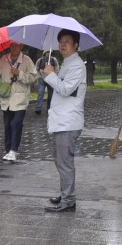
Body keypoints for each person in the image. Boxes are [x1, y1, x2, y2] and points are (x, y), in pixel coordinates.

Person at [42, 29, 86, 213]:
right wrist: (51, 74)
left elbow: (66, 89)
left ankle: (68, 200)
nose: (63, 43)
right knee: (60, 159)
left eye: (68, 41)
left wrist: (51, 75)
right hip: (62, 120)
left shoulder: (76, 65)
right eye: (61, 40)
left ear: (76, 45)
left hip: (68, 121)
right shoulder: (68, 63)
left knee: (64, 162)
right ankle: (65, 193)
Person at [0, 41, 38, 162]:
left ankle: (13, 150)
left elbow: (33, 77)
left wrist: (20, 73)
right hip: (6, 98)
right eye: (12, 45)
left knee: (16, 124)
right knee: (7, 124)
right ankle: (8, 150)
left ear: (21, 46)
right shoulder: (4, 59)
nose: (14, 47)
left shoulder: (26, 60)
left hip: (20, 99)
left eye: (17, 45)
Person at [34, 51, 60, 116]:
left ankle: (49, 108)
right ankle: (38, 108)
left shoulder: (53, 60)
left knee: (50, 95)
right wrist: (39, 76)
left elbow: (57, 68)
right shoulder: (40, 60)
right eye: (47, 52)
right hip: (42, 79)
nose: (48, 53)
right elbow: (36, 69)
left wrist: (55, 76)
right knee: (40, 93)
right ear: (44, 53)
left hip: (51, 79)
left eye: (49, 52)